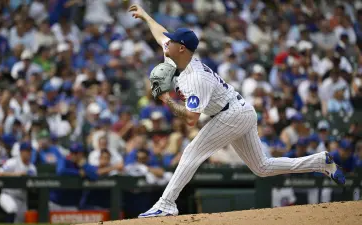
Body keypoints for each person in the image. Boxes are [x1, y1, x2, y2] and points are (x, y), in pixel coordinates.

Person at [128, 4, 346, 218]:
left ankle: (166, 204)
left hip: (232, 113)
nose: (167, 42)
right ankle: (320, 162)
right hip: (237, 110)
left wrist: (166, 99)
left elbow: (192, 119)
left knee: (192, 152)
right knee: (262, 167)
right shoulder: (174, 53)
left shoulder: (196, 78)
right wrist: (145, 16)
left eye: (172, 40)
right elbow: (160, 35)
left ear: (182, 47)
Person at [0, 142, 37, 223]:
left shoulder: (32, 168)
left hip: (22, 200)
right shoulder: (13, 162)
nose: (29, 153)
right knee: (12, 208)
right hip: (8, 195)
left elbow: (34, 186)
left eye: (30, 151)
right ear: (21, 152)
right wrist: (17, 175)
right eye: (26, 151)